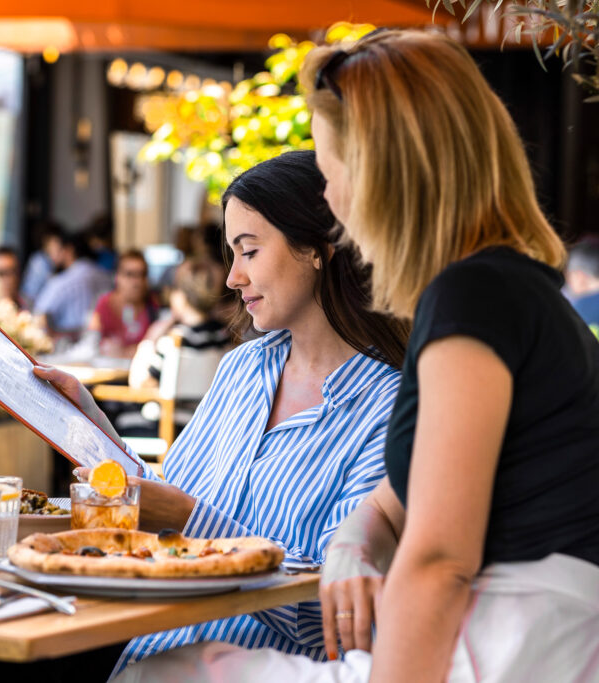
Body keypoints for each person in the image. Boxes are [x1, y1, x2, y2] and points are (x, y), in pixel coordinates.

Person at [116, 29, 599, 683]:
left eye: (331, 166)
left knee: (169, 673)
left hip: (517, 650)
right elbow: (420, 492)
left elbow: (438, 561)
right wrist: (357, 534)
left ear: (382, 170)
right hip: (546, 646)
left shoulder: (471, 298)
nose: (331, 200)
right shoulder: (503, 289)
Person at [33, 150, 409, 680]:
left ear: (319, 249)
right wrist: (92, 430)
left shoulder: (390, 406)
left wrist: (188, 520)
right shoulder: (243, 368)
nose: (232, 278)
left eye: (249, 251)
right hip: (143, 656)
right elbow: (168, 500)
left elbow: (335, 618)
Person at [129, 259, 232, 389]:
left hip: (173, 409)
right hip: (211, 408)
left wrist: (148, 342)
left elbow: (139, 382)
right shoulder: (223, 335)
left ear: (181, 296)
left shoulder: (174, 340)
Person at [32, 232, 111, 338]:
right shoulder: (100, 273)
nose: (51, 256)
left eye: (54, 250)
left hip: (68, 340)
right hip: (101, 337)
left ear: (68, 249)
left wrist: (52, 338)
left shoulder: (61, 281)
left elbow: (39, 315)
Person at [85, 250, 159, 358]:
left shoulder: (152, 307)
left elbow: (157, 347)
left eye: (142, 275)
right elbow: (90, 343)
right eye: (130, 274)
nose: (136, 282)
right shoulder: (103, 304)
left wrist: (125, 353)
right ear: (117, 277)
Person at [21, 220, 65, 302]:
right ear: (46, 242)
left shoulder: (47, 261)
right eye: (55, 241)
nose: (59, 246)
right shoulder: (39, 260)